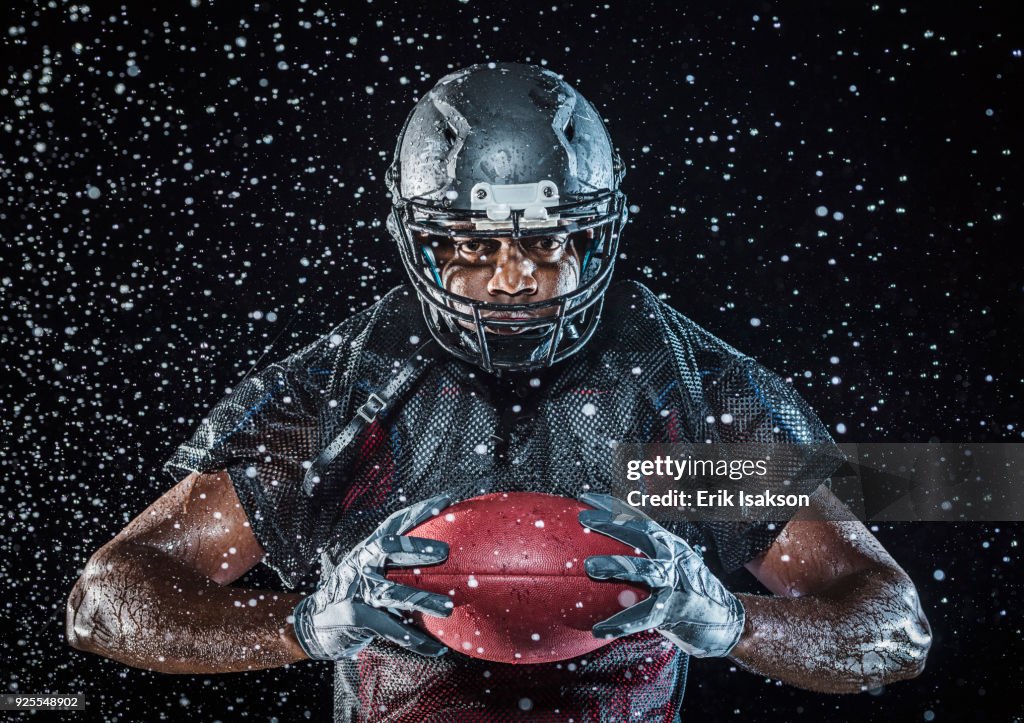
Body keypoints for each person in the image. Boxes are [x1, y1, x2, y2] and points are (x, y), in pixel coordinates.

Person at [67, 63, 932, 722]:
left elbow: (893, 627)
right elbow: (105, 600)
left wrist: (731, 620)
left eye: (547, 241)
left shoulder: (691, 403)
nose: (514, 278)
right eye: (473, 247)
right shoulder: (336, 401)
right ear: (420, 244)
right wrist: (301, 625)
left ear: (598, 238)